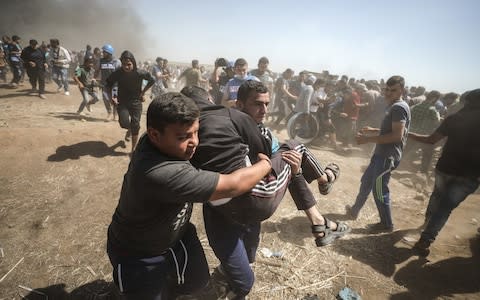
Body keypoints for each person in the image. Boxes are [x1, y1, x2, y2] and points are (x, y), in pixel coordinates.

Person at [186, 82, 349, 299]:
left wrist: (292, 169)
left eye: (267, 104)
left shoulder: (258, 131)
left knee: (246, 266)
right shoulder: (226, 121)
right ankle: (323, 187)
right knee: (295, 149)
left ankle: (320, 209)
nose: (264, 110)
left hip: (238, 211)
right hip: (234, 206)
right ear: (239, 103)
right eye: (257, 104)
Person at [106, 92, 272, 299]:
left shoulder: (158, 143)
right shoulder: (159, 173)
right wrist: (267, 164)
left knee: (197, 281)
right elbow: (232, 185)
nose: (194, 142)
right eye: (183, 137)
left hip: (177, 235)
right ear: (155, 134)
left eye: (196, 132)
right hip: (138, 250)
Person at [410, 89, 480, 256]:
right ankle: (426, 238)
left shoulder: (455, 118)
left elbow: (431, 140)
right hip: (470, 175)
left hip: (445, 168)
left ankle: (427, 225)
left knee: (437, 196)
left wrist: (407, 133)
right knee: (446, 207)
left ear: (467, 102)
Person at [346, 75, 411, 232]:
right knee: (366, 181)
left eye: (393, 90)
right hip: (381, 154)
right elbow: (391, 130)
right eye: (387, 89)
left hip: (387, 156)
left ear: (401, 90)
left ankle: (386, 224)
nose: (388, 93)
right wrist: (373, 131)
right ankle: (355, 210)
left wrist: (368, 140)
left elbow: (397, 136)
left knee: (379, 190)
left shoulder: (398, 108)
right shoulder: (394, 105)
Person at [105, 50, 155, 154]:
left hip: (136, 102)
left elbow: (152, 80)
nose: (126, 67)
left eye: (128, 64)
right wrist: (111, 98)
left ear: (133, 63)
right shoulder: (118, 73)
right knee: (123, 123)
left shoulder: (140, 73)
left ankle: (133, 149)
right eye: (123, 64)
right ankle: (130, 130)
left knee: (135, 124)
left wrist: (143, 92)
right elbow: (108, 84)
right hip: (122, 102)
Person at [92, 44, 121, 120]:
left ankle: (115, 114)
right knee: (105, 99)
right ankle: (109, 113)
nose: (102, 53)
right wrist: (94, 78)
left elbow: (121, 73)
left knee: (115, 99)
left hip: (115, 85)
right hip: (104, 84)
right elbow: (97, 70)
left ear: (109, 53)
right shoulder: (101, 61)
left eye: (104, 52)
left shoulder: (117, 62)